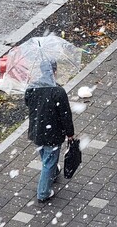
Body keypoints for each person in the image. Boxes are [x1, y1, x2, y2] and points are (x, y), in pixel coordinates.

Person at [25, 60, 74, 203]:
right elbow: (66, 115)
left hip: (36, 130)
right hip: (52, 134)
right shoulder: (58, 92)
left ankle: (52, 173)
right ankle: (43, 193)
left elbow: (28, 102)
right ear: (54, 71)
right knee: (49, 162)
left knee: (46, 156)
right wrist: (70, 133)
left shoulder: (32, 88)